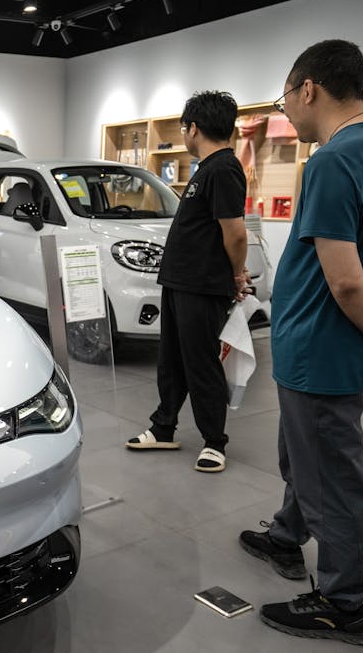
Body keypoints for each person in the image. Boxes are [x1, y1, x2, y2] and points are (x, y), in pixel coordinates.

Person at [238, 39, 363, 646]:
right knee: (306, 454)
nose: (287, 112)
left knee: (332, 477)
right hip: (332, 350)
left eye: (285, 98)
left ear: (308, 89)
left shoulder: (333, 162)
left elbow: (346, 282)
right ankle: (287, 536)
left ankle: (343, 603)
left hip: (321, 347)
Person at [125, 91, 249, 474]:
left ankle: (215, 441)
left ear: (193, 128)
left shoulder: (224, 169)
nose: (184, 135)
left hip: (203, 285)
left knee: (201, 364)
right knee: (172, 361)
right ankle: (164, 426)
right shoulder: (208, 169)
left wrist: (237, 274)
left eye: (184, 128)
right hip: (181, 282)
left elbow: (236, 233)